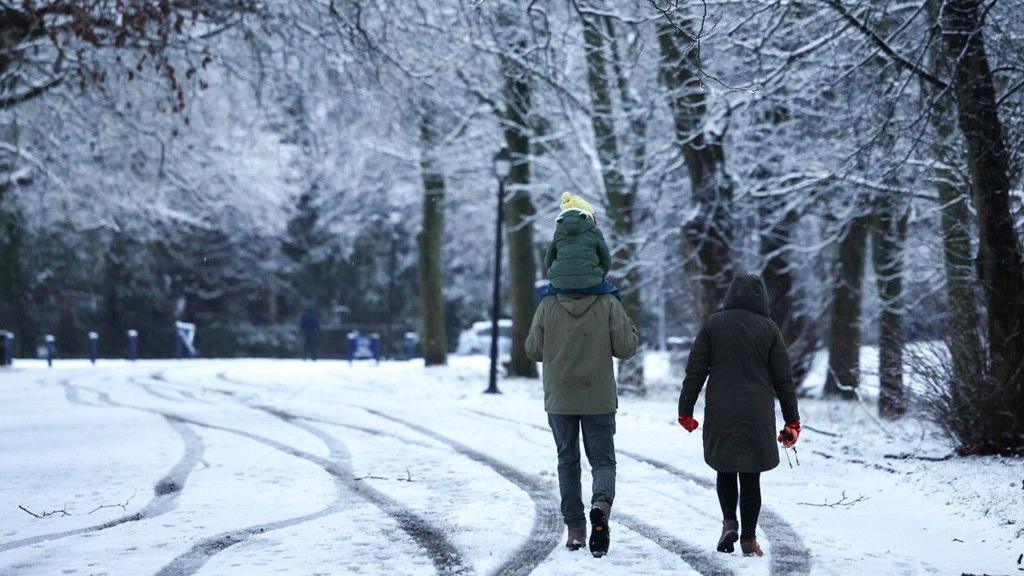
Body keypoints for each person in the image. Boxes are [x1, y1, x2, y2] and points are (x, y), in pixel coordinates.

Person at [677, 273, 801, 557]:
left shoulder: (713, 325)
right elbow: (784, 379)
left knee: (725, 468)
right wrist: (791, 420)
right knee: (750, 476)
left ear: (730, 295)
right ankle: (748, 537)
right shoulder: (769, 329)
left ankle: (729, 522)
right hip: (756, 410)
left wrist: (686, 409)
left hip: (721, 407)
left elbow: (695, 371)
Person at [525, 290, 639, 558]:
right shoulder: (608, 302)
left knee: (567, 461)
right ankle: (601, 504)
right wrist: (628, 324)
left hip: (560, 396)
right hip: (597, 396)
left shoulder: (548, 304)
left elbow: (533, 350)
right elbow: (626, 348)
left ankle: (576, 531)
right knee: (602, 460)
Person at [541, 192, 619, 300]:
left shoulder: (558, 232)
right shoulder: (595, 232)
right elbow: (605, 259)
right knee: (614, 294)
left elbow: (549, 259)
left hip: (560, 281)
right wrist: (598, 274)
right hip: (591, 281)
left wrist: (555, 273)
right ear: (587, 215)